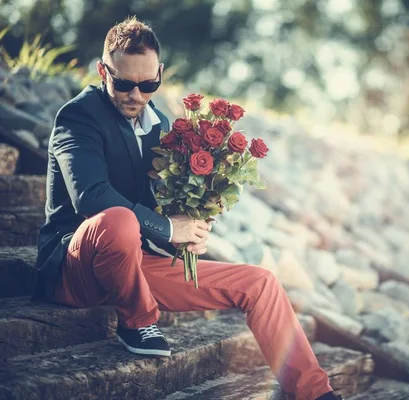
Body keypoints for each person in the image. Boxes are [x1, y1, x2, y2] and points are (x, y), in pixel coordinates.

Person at [33, 16, 342, 400]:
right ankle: (139, 323)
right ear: (102, 71)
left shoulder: (161, 123)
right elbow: (90, 196)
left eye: (148, 84)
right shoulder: (77, 117)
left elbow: (160, 206)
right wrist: (166, 228)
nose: (136, 94)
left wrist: (188, 232)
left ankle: (315, 392)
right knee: (118, 219)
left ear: (159, 74)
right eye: (124, 83)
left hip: (135, 264)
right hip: (74, 267)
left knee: (261, 283)